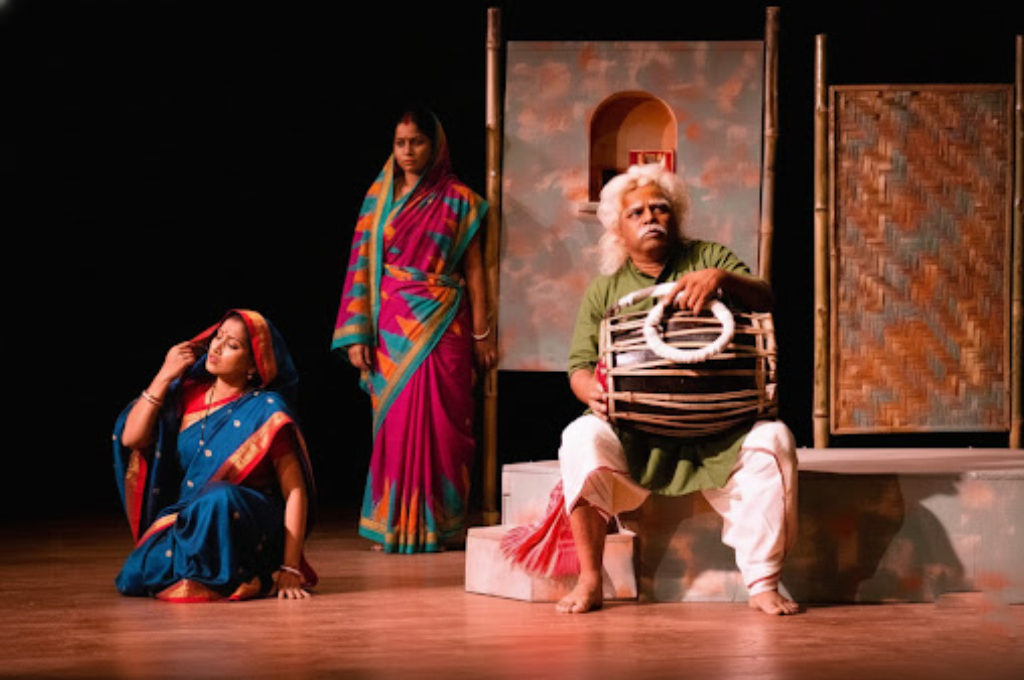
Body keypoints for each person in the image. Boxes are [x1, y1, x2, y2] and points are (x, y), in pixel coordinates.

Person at [504, 163, 799, 615]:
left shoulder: (708, 258)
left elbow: (763, 298)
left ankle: (762, 582)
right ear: (617, 231)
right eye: (637, 213)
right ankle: (589, 578)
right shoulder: (605, 289)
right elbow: (579, 366)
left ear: (676, 217)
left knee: (774, 440)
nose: (650, 218)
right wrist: (590, 393)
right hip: (637, 435)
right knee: (579, 438)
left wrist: (724, 280)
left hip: (723, 430)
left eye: (660, 209)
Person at [332, 108, 495, 553]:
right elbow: (361, 268)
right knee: (397, 424)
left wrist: (483, 335)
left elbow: (476, 271)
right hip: (392, 326)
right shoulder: (378, 199)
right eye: (400, 142)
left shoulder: (461, 199)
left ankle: (440, 525)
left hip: (446, 323)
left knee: (446, 424)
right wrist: (357, 335)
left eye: (417, 142)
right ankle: (392, 524)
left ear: (436, 145)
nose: (407, 151)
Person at [113, 309, 317, 602]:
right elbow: (132, 438)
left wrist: (290, 567)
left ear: (252, 365)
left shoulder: (266, 410)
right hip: (191, 517)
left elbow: (296, 491)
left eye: (232, 345)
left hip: (244, 524)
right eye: (217, 338)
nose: (218, 347)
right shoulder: (186, 395)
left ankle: (258, 572)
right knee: (135, 575)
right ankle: (251, 581)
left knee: (218, 498)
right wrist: (164, 375)